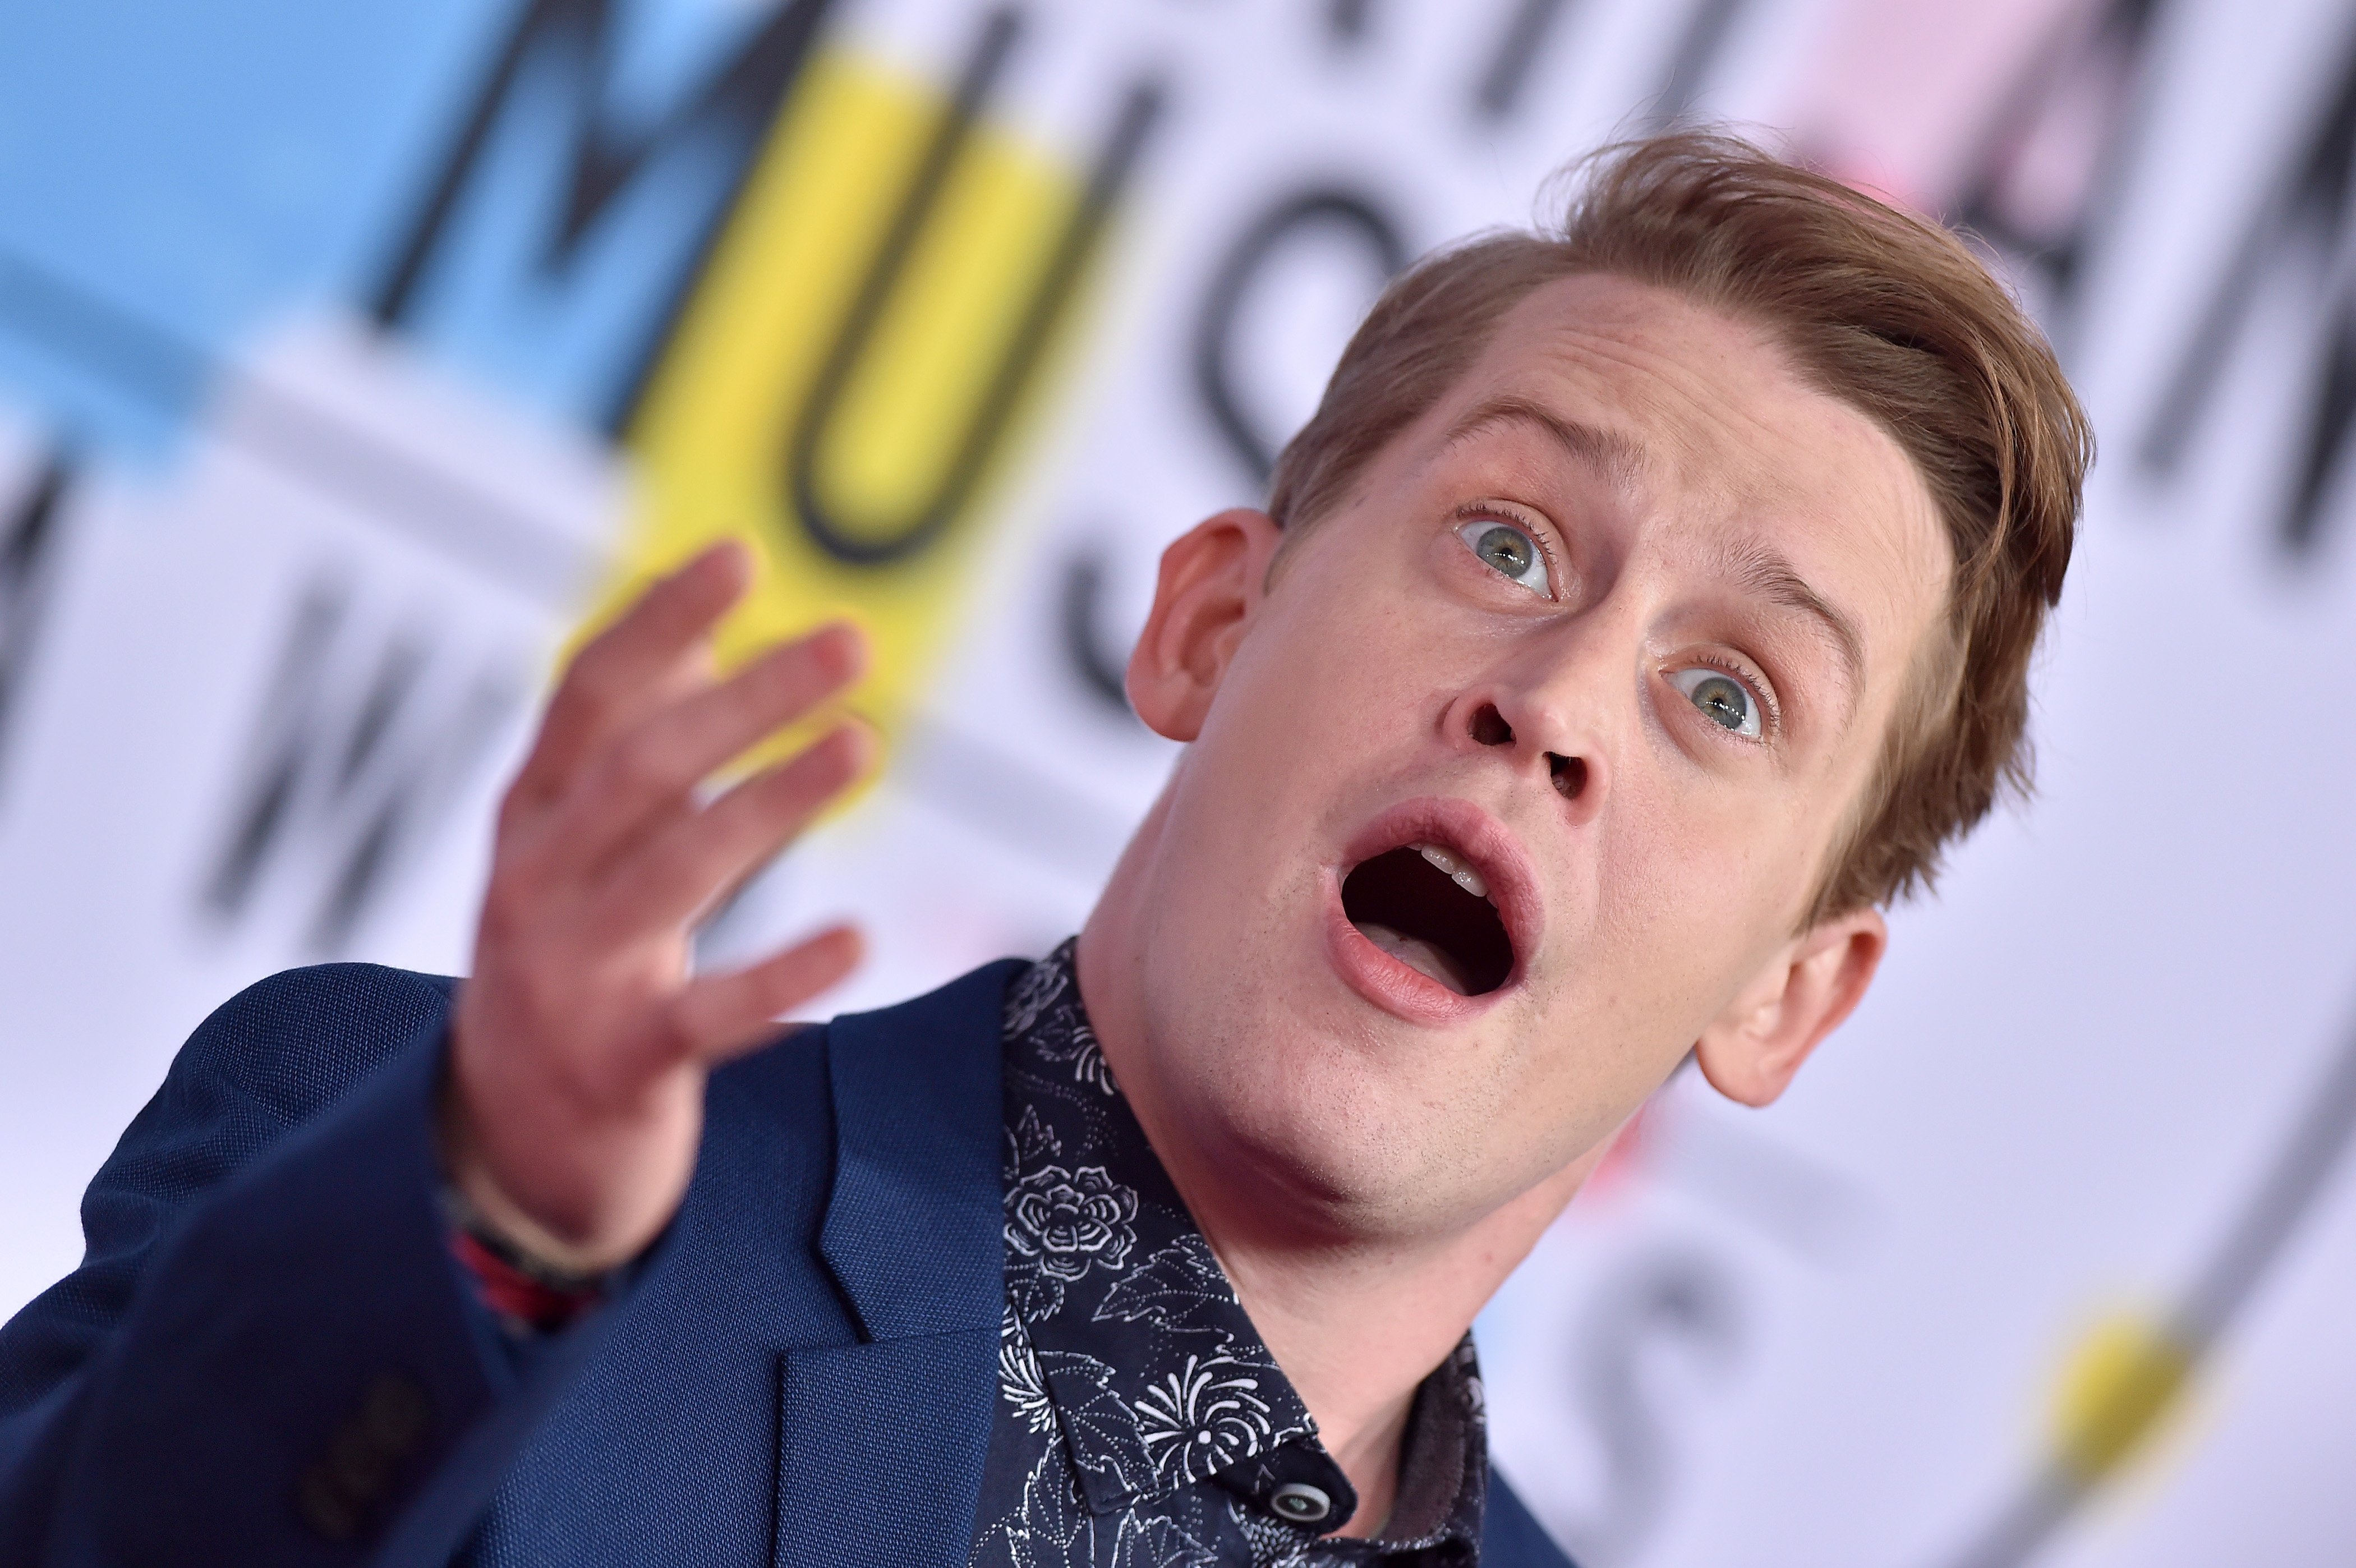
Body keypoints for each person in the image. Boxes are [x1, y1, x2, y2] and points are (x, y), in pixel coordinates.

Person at [0, 131, 2088, 1567]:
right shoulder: (406, 1165)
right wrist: (485, 1240)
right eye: (1509, 542)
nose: (1556, 701)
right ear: (1213, 621)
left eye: (1730, 694)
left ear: (1787, 992)